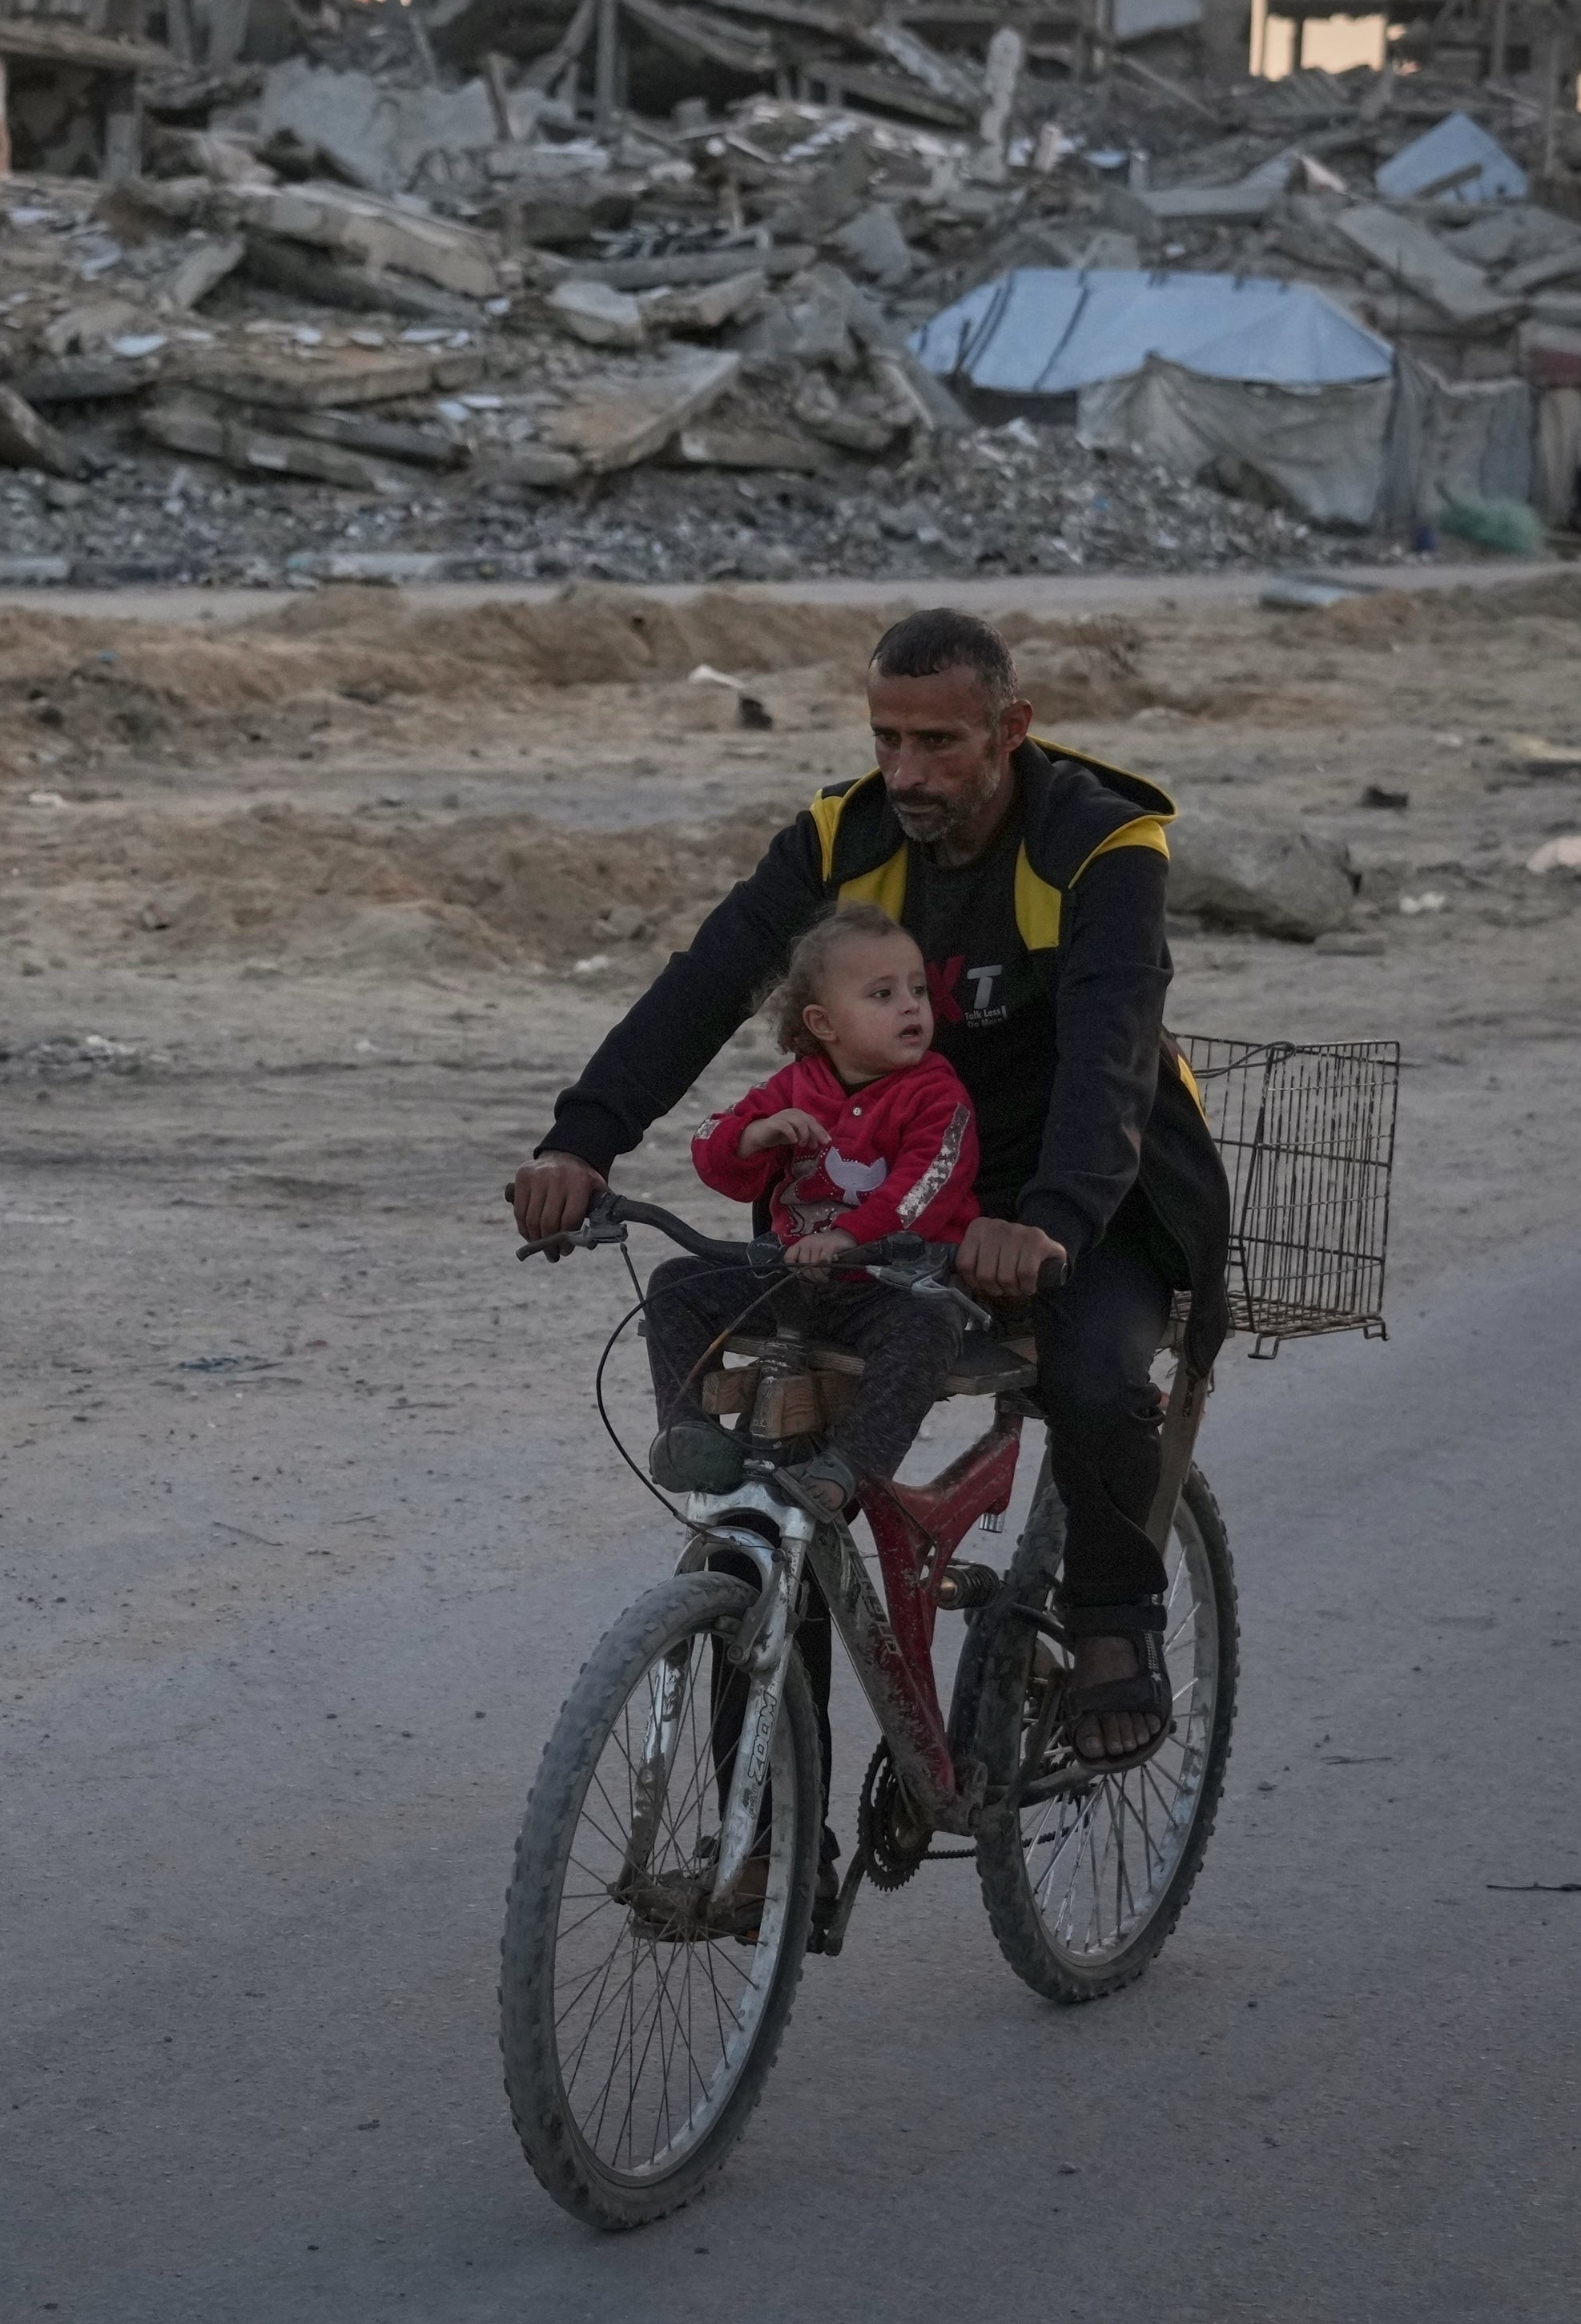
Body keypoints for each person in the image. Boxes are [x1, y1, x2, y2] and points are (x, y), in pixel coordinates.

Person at [511, 609, 1233, 1769]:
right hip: (884, 1201)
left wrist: (1046, 1220)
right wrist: (582, 1141)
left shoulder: (1099, 844)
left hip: (1091, 1191)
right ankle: (765, 1777)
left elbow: (1110, 1054)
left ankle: (1112, 1630)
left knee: (1094, 1377)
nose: (907, 772)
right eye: (887, 738)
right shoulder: (842, 836)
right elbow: (707, 984)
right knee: (782, 1445)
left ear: (1012, 730)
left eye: (939, 744)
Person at [637, 906, 980, 1524]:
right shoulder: (796, 1085)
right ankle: (689, 1432)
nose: (911, 1007)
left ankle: (852, 1466)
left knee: (934, 1321)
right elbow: (713, 1143)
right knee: (672, 1286)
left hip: (886, 1289)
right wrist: (753, 1137)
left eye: (919, 990)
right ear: (822, 1023)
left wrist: (850, 1235)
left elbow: (927, 1185)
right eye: (883, 994)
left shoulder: (936, 1093)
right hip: (792, 1281)